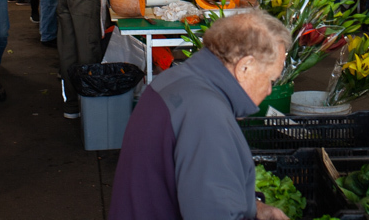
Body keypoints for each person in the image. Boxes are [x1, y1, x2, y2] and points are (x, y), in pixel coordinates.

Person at [109, 11, 291, 220]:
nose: (269, 90)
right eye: (270, 79)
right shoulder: (207, 116)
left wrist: (256, 207)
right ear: (245, 67)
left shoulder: (177, 79)